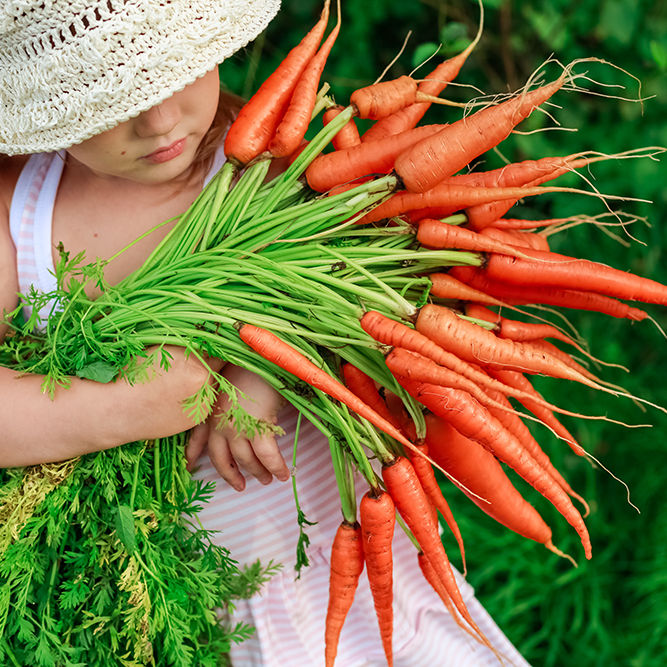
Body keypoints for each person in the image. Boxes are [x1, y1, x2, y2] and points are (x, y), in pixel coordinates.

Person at [0, 2, 531, 665]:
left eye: (178, 72)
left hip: (339, 558)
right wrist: (116, 411)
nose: (158, 120)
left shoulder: (271, 156)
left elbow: (354, 280)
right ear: (46, 107)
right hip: (165, 600)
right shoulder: (22, 213)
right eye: (113, 101)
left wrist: (264, 370)